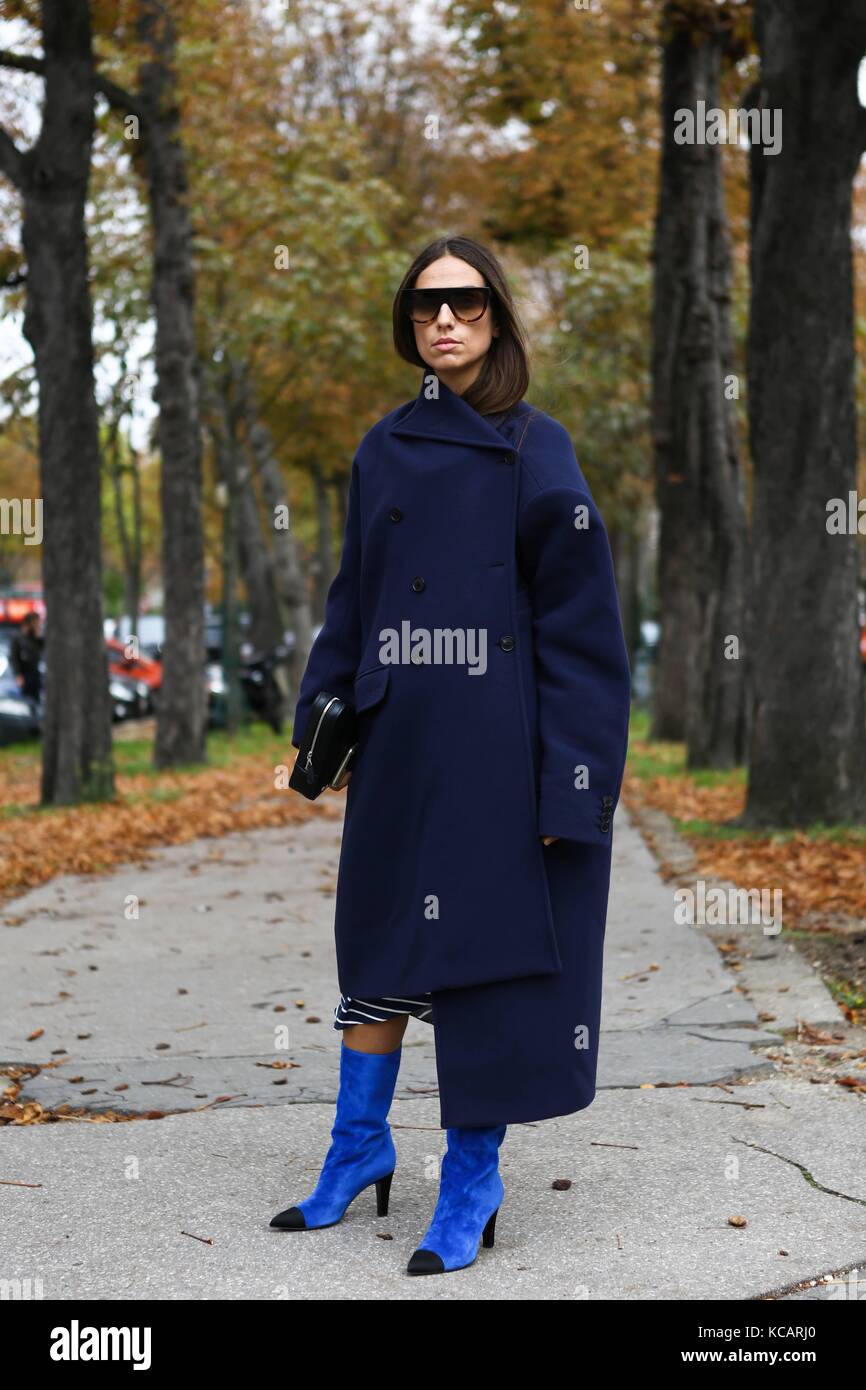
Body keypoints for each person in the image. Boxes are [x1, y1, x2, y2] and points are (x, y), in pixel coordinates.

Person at [271, 235, 632, 1276]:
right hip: (398, 740)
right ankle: (355, 1148)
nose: (445, 321)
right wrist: (320, 722)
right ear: (408, 324)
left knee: (486, 961)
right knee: (380, 942)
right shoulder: (381, 446)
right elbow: (354, 598)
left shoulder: (537, 448)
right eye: (426, 305)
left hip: (498, 747)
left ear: (495, 319)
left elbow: (581, 629)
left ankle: (471, 1180)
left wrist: (574, 774)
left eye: (466, 304)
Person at [10, 611, 44, 707]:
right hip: (24, 673)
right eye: (35, 622)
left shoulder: (36, 636)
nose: (38, 624)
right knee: (24, 702)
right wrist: (18, 675)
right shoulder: (18, 636)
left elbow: (41, 649)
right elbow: (14, 657)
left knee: (35, 701)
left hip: (35, 672)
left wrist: (38, 636)